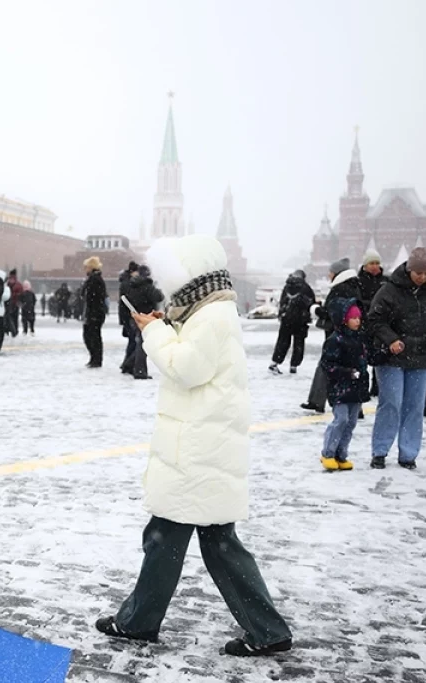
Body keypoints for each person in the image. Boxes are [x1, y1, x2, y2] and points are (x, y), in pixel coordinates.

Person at [96, 235, 292, 657]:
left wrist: (154, 332)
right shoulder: (210, 309)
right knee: (207, 542)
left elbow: (186, 368)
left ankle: (141, 623)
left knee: (174, 537)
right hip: (205, 445)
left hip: (199, 448)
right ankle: (264, 628)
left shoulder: (211, 316)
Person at [368, 248, 426, 470]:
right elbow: (374, 320)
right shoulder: (389, 291)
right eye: (418, 273)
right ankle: (380, 451)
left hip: (422, 357)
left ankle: (408, 453)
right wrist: (391, 339)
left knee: (414, 406)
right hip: (392, 357)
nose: (422, 277)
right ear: (409, 269)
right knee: (391, 403)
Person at [301, 258, 358, 413]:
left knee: (327, 366)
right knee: (350, 367)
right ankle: (354, 406)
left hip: (337, 334)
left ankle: (316, 401)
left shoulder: (339, 289)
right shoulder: (355, 286)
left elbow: (333, 312)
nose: (329, 275)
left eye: (331, 272)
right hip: (352, 335)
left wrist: (316, 310)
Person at [319, 301, 369, 471]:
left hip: (356, 388)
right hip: (339, 388)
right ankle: (328, 453)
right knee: (341, 419)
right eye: (353, 318)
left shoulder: (360, 339)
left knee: (351, 422)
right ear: (345, 320)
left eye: (359, 318)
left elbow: (365, 360)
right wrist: (347, 372)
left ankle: (341, 454)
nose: (357, 321)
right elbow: (327, 364)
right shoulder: (335, 340)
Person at [119, 264, 164, 380]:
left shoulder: (132, 285)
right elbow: (159, 297)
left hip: (133, 317)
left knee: (140, 343)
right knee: (143, 345)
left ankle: (128, 364)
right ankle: (139, 371)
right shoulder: (147, 286)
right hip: (146, 318)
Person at [268, 269, 316, 375]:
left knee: (283, 341)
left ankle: (274, 363)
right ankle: (294, 365)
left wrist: (282, 314)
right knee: (299, 343)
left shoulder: (287, 287)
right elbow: (311, 303)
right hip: (301, 320)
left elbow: (282, 302)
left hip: (287, 319)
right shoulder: (306, 288)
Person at [356, 249, 386, 395]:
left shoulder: (386, 281)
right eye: (372, 263)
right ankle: (362, 387)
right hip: (363, 323)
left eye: (377, 263)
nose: (375, 266)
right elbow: (358, 301)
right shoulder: (359, 282)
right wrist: (372, 305)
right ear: (365, 265)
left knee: (378, 357)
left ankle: (376, 387)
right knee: (361, 356)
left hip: (380, 324)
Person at [81, 257, 108, 368]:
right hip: (92, 312)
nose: (85, 269)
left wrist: (93, 313)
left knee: (93, 336)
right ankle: (94, 358)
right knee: (90, 336)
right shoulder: (92, 279)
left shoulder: (95, 280)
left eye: (86, 267)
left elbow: (95, 298)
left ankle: (96, 359)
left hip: (95, 313)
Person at [5, 269, 23, 338]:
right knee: (15, 318)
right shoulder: (18, 284)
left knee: (8, 318)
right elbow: (21, 294)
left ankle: (8, 330)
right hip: (15, 304)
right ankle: (15, 331)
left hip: (8, 303)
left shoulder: (8, 283)